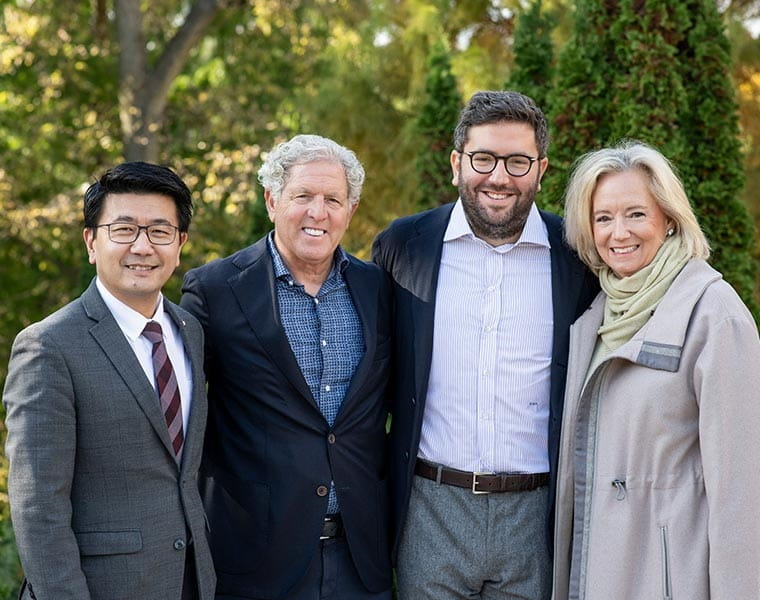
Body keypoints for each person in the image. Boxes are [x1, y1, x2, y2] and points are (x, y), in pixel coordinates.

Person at [372, 90, 598, 599]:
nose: (499, 177)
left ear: (541, 169)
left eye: (517, 161)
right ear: (457, 164)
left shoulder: (577, 258)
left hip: (536, 513)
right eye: (484, 159)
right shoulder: (402, 246)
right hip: (430, 508)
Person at [180, 134, 392, 600]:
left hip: (360, 560)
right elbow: (179, 416)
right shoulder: (215, 290)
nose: (318, 212)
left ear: (350, 211)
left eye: (333, 199)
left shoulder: (379, 289)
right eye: (303, 196)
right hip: (256, 561)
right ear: (272, 200)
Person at [553, 141, 760, 599]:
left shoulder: (714, 315)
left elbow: (741, 494)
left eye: (636, 214)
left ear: (668, 219)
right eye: (603, 218)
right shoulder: (595, 316)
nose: (618, 233)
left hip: (669, 581)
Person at [3, 161, 215, 600]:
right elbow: (39, 506)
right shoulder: (48, 346)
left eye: (159, 231)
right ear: (91, 242)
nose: (142, 246)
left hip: (190, 581)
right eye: (123, 230)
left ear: (179, 245)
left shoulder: (189, 331)